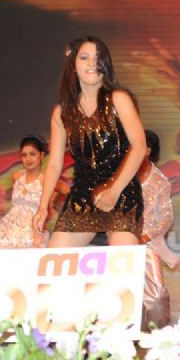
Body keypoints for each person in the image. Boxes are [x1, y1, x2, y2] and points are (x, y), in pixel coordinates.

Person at [33, 36, 146, 247]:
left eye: (97, 57)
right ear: (73, 65)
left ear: (106, 65)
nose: (92, 63)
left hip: (122, 191)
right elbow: (54, 164)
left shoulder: (119, 99)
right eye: (84, 57)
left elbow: (139, 148)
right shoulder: (62, 112)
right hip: (82, 196)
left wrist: (114, 191)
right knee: (56, 256)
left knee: (121, 259)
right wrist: (43, 206)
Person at [138, 129, 179, 327]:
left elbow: (167, 216)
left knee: (155, 294)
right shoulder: (121, 175)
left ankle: (158, 336)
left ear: (147, 150)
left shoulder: (159, 181)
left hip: (147, 244)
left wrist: (146, 236)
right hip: (119, 241)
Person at [0, 136, 49, 248]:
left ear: (41, 155)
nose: (28, 159)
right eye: (24, 155)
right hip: (9, 230)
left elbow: (47, 209)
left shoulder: (47, 180)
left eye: (32, 154)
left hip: (32, 233)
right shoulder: (16, 176)